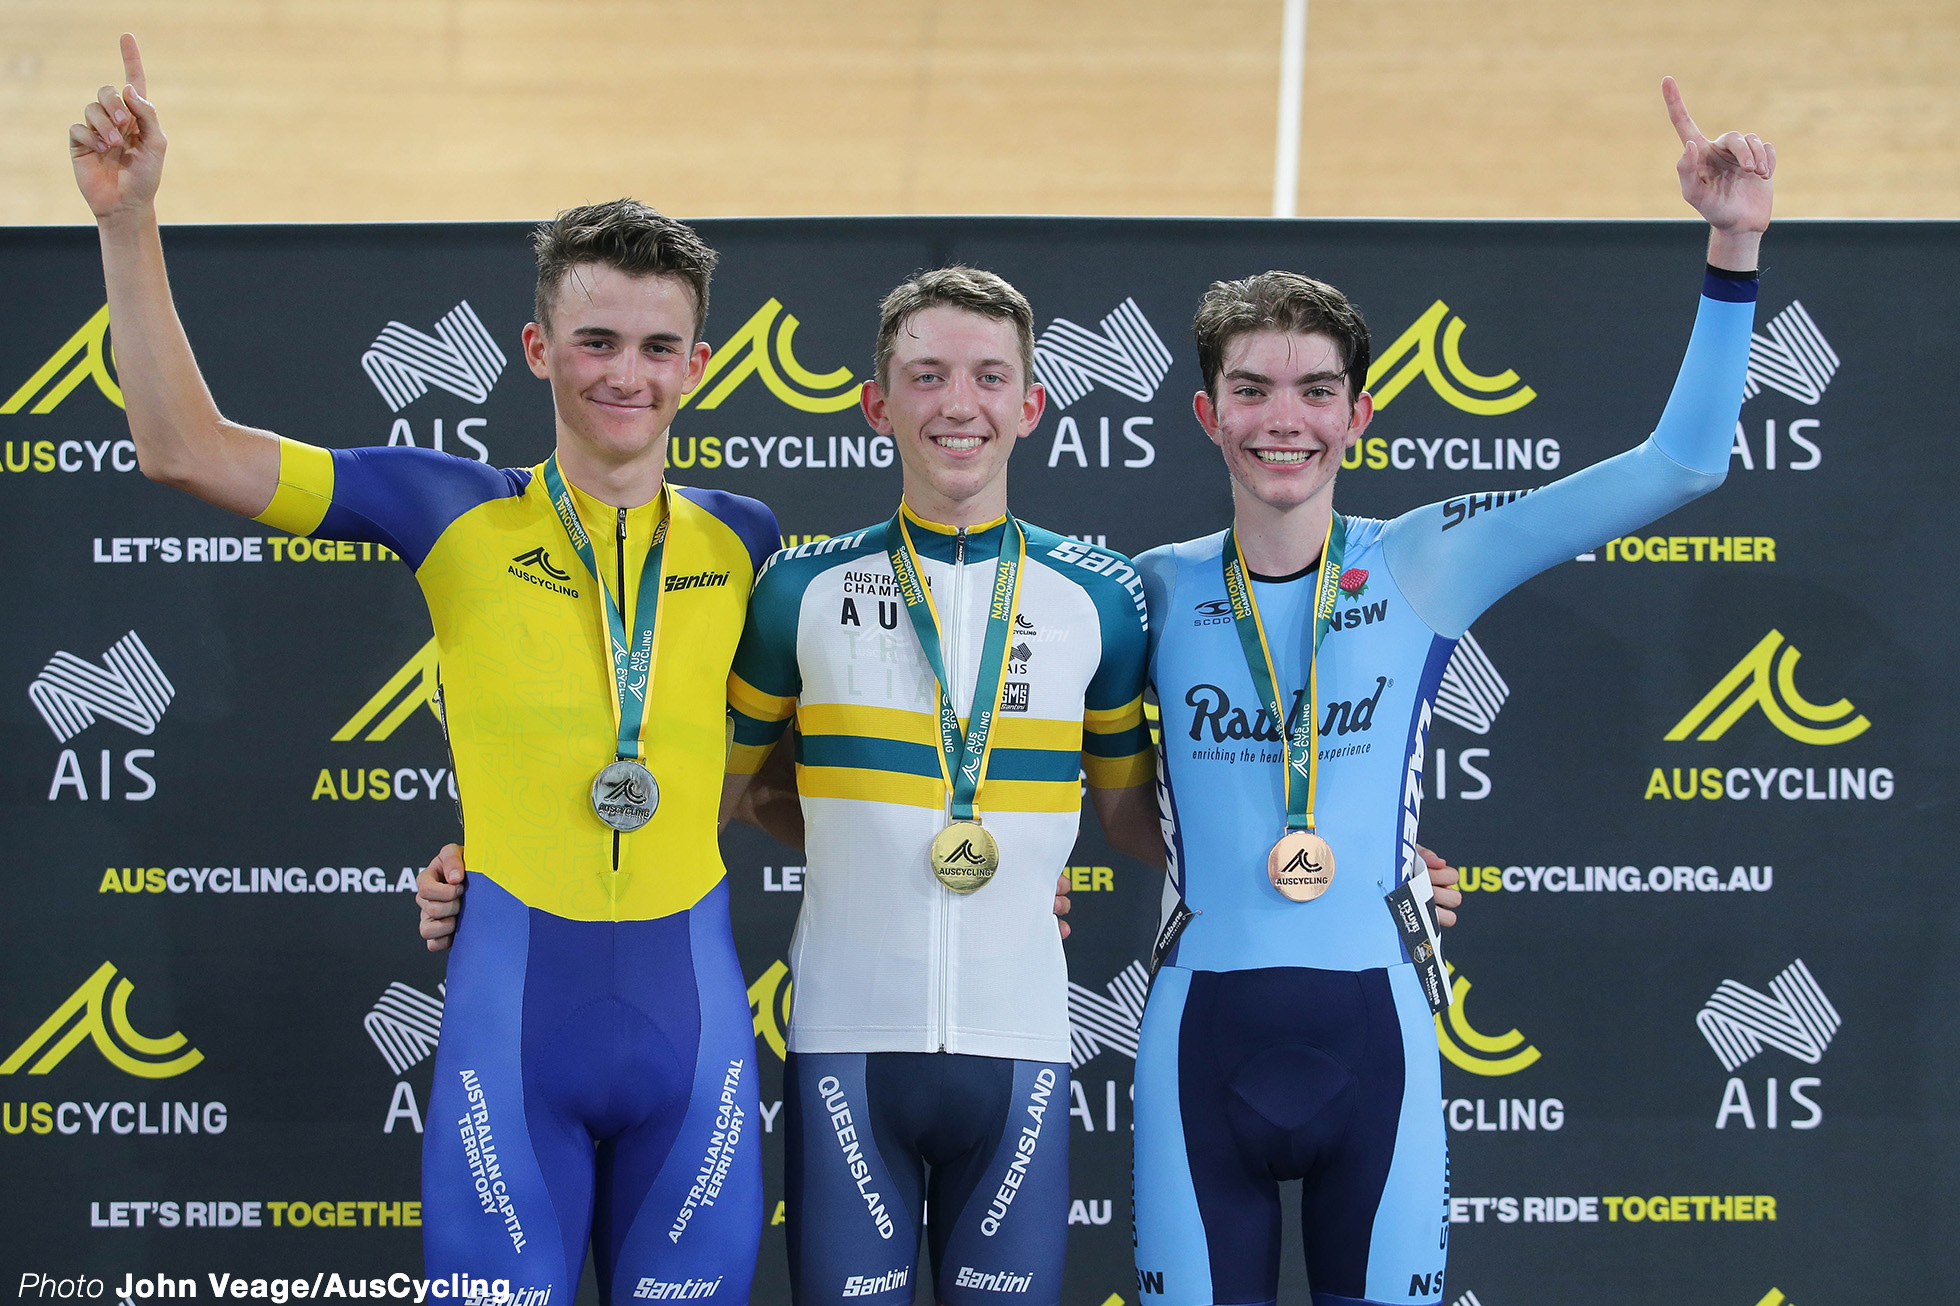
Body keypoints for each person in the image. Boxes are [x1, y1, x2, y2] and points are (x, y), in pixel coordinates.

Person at [71, 37, 777, 1304]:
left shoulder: (749, 540)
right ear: (537, 349)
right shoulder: (447, 508)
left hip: (697, 1021)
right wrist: (130, 224)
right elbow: (185, 449)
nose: (628, 372)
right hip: (515, 1014)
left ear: (700, 365)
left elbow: (778, 774)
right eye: (598, 339)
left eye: (658, 347)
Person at [1127, 78, 1772, 1306]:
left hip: (1381, 1033)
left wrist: (1732, 245)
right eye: (1253, 391)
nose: (1285, 420)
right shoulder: (1144, 592)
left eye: (1317, 389)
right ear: (1208, 415)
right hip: (1191, 1043)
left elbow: (1682, 464)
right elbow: (1055, 758)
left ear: (1357, 417)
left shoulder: (1427, 555)